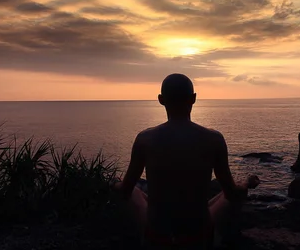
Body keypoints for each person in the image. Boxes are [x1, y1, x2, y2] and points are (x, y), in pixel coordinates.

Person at [111, 73, 260, 248]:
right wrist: (246, 184)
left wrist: (113, 183)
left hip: (158, 238)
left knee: (134, 191)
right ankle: (247, 182)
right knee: (230, 195)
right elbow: (232, 194)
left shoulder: (145, 139)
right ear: (194, 99)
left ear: (161, 100)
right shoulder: (213, 139)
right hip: (199, 237)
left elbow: (125, 192)